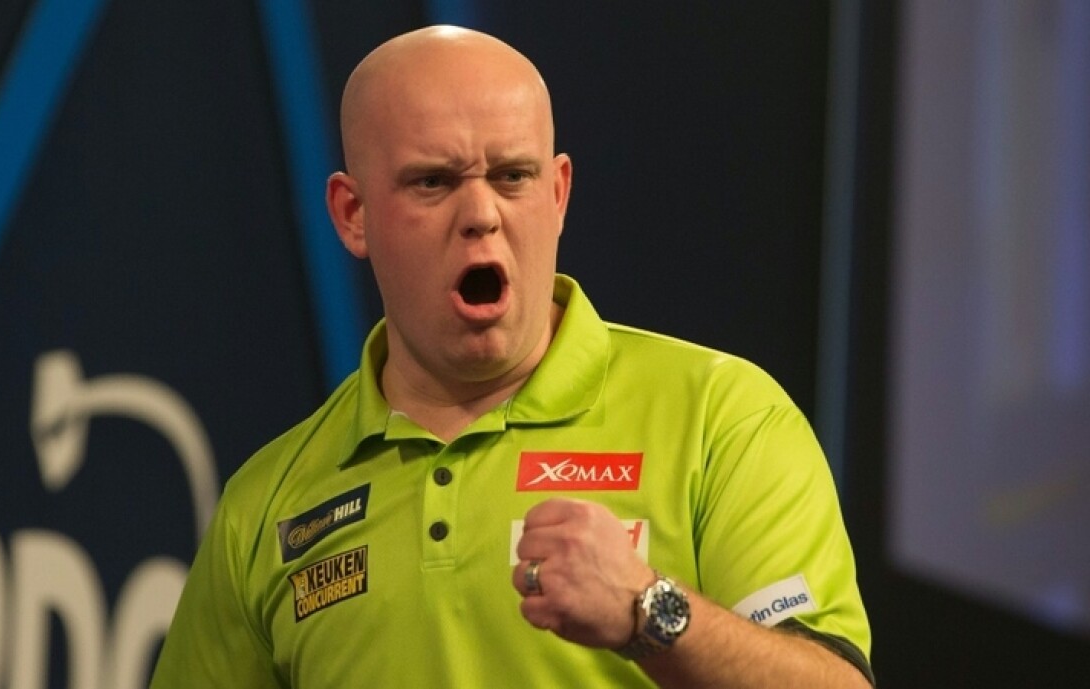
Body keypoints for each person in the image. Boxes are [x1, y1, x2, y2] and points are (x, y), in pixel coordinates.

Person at [150, 25, 873, 688]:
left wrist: (647, 610)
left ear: (557, 194)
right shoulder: (266, 507)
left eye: (512, 176)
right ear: (353, 213)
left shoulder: (721, 417)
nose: (481, 214)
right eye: (433, 181)